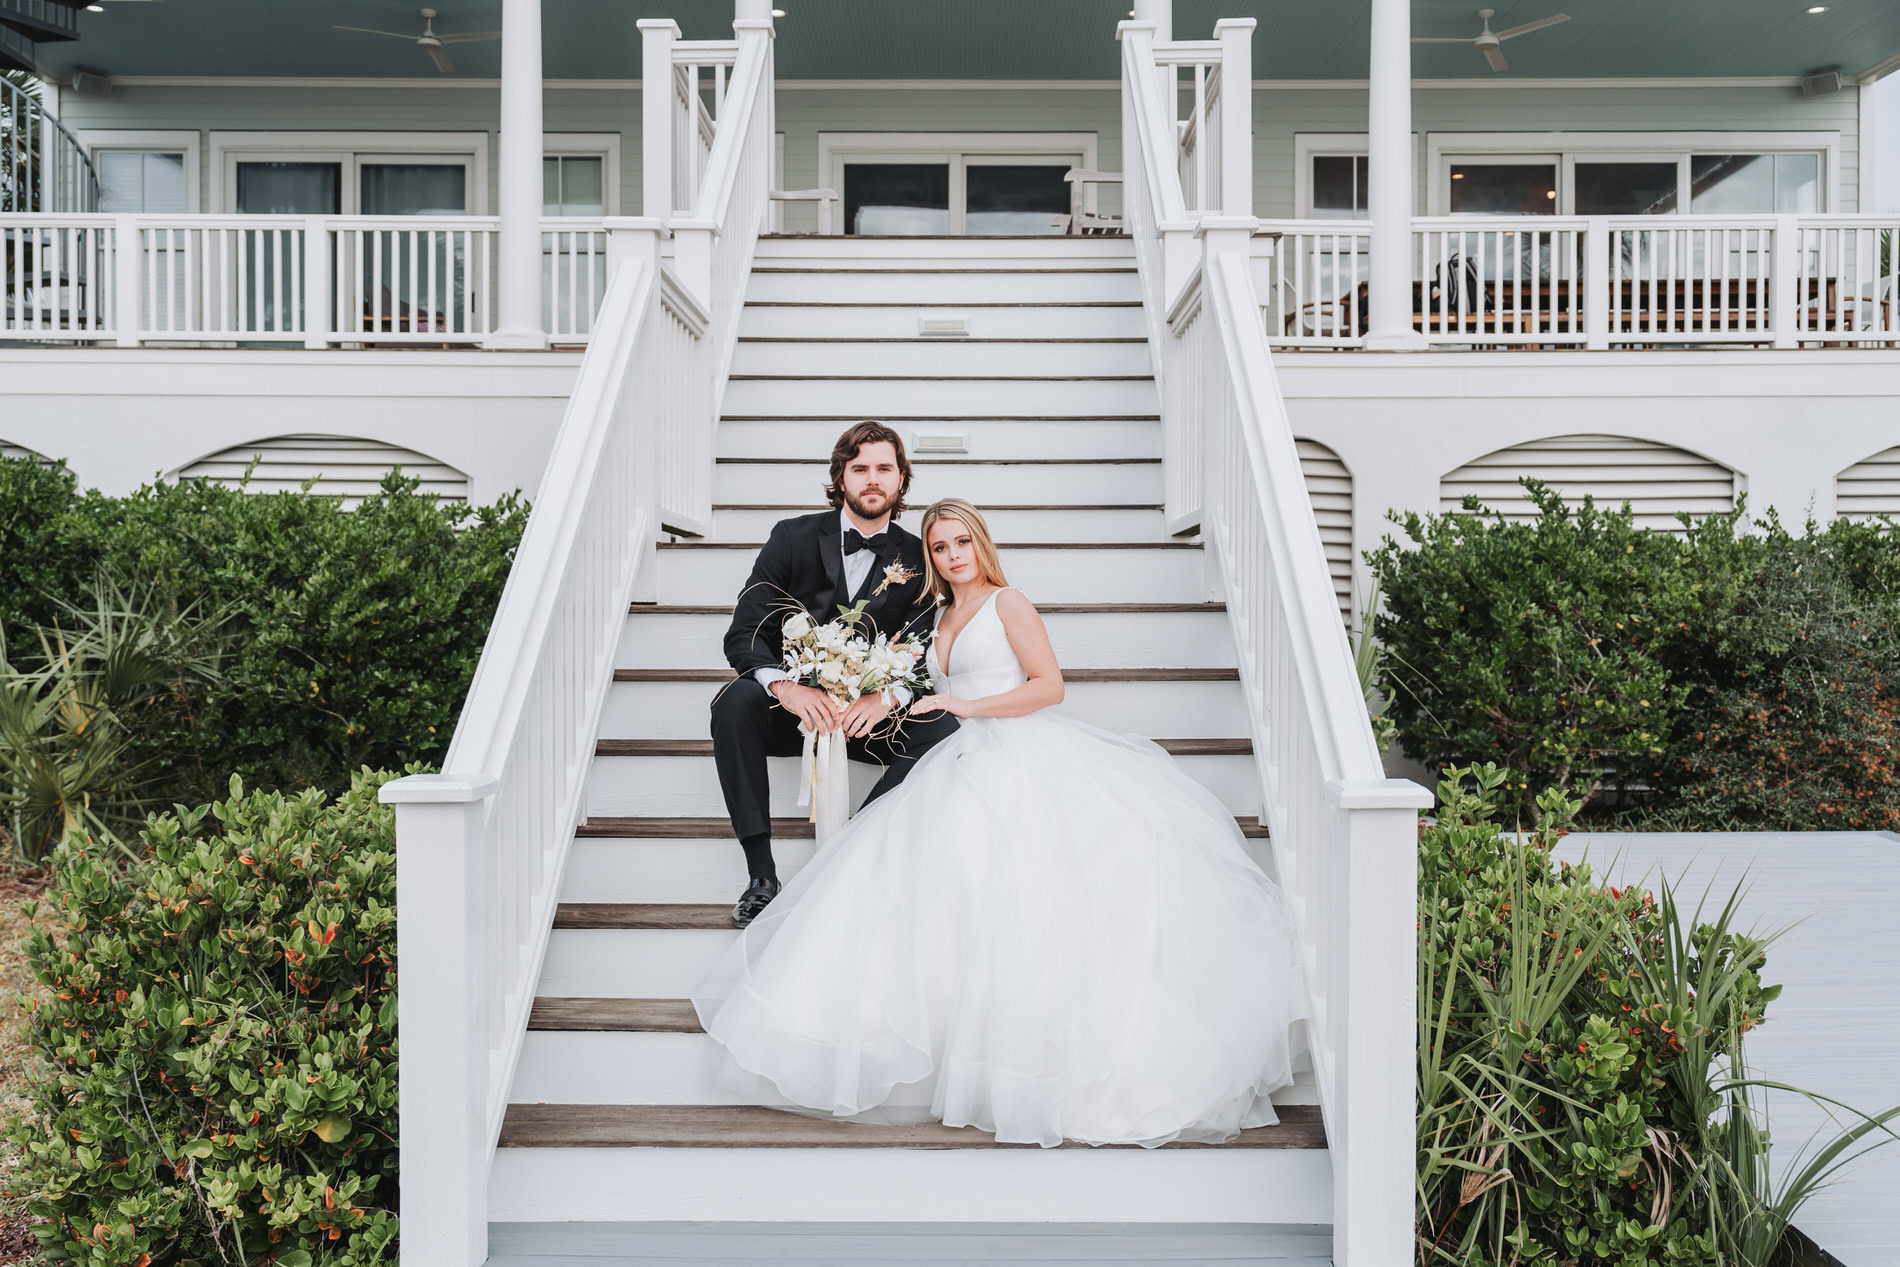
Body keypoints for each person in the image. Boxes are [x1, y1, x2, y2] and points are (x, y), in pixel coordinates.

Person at [691, 498, 1312, 1148]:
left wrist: (967, 703)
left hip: (1016, 744)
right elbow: (914, 677)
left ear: (979, 543)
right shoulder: (938, 614)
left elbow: (1050, 685)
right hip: (962, 747)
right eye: (939, 546)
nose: (952, 554)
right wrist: (887, 693)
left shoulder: (1007, 602)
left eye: (961, 542)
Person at [710, 421, 959, 928]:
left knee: (943, 729)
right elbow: (745, 630)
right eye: (860, 467)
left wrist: (885, 697)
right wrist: (785, 686)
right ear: (840, 476)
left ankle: (850, 856)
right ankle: (761, 875)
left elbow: (921, 643)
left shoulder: (919, 555)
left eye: (884, 468)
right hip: (797, 710)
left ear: (901, 478)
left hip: (867, 720)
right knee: (733, 702)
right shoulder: (792, 537)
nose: (873, 478)